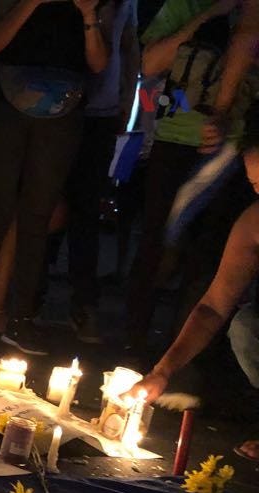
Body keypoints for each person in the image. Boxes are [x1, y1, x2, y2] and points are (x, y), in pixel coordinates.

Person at [0, 0, 109, 356]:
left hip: (62, 112)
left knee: (37, 216)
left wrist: (88, 15)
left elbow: (99, 62)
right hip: (5, 105)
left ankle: (22, 318)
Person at [124, 0, 253, 357]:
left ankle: (182, 357)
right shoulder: (188, 4)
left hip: (236, 147)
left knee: (208, 254)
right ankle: (133, 344)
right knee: (155, 241)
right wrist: (207, 17)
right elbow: (149, 64)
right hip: (174, 136)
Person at [132, 130, 259, 462]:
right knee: (247, 327)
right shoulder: (253, 224)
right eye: (258, 186)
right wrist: (163, 370)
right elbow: (213, 306)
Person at [60, 0, 140, 344]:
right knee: (46, 203)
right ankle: (23, 300)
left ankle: (83, 304)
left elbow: (129, 42)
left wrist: (127, 97)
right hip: (61, 103)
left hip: (104, 109)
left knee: (87, 210)